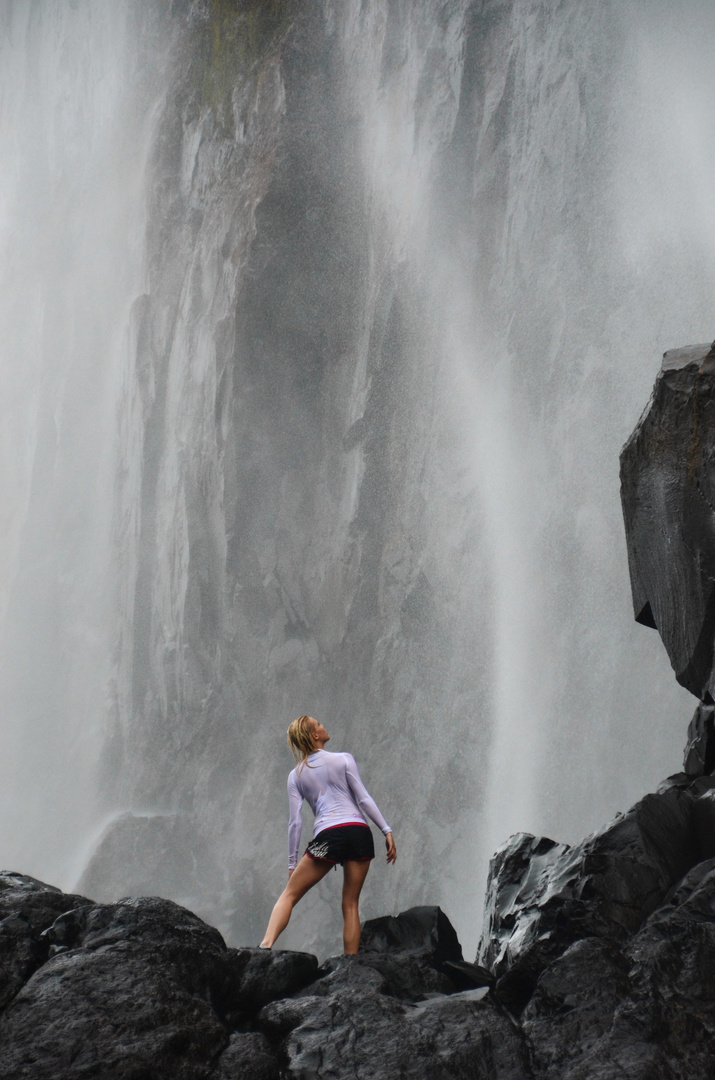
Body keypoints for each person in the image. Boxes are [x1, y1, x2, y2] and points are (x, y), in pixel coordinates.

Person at [260, 715, 396, 953]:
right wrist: (386, 830)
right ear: (315, 735)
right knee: (350, 903)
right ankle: (350, 964)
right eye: (319, 724)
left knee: (290, 894)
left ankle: (265, 946)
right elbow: (363, 798)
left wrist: (293, 863)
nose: (324, 726)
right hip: (359, 832)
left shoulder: (296, 775)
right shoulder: (343, 759)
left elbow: (295, 823)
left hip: (329, 836)